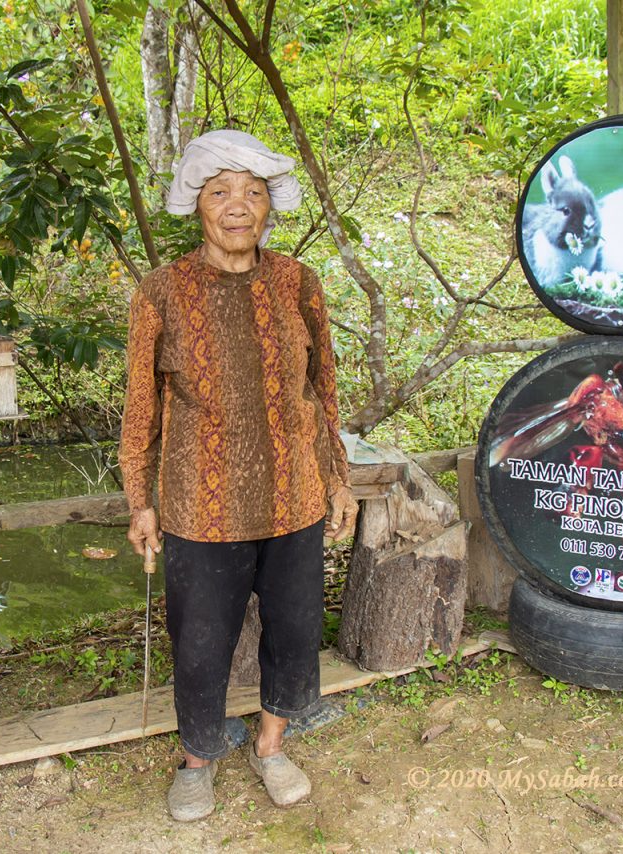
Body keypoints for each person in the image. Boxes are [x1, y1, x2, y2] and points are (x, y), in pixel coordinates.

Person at [118, 129, 358, 822]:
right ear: (197, 203)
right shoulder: (161, 291)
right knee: (200, 642)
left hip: (295, 499)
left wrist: (336, 478)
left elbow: (325, 387)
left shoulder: (296, 282)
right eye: (221, 191)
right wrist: (140, 500)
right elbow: (141, 407)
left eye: (252, 193)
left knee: (293, 629)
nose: (237, 206)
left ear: (268, 208)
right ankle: (198, 761)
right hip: (202, 505)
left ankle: (273, 744)